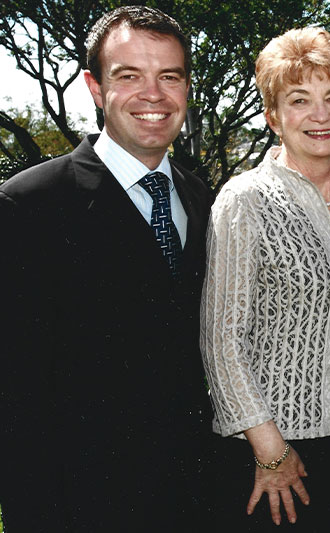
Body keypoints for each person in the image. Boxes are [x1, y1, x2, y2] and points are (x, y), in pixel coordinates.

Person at [0, 6, 214, 530]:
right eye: (129, 76)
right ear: (96, 88)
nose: (153, 94)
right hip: (86, 504)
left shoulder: (202, 197)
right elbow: (15, 395)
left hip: (195, 498)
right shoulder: (28, 205)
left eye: (169, 76)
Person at [200, 27, 330, 532]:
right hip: (268, 451)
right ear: (273, 116)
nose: (319, 115)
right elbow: (221, 339)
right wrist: (272, 452)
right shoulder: (245, 200)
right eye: (299, 100)